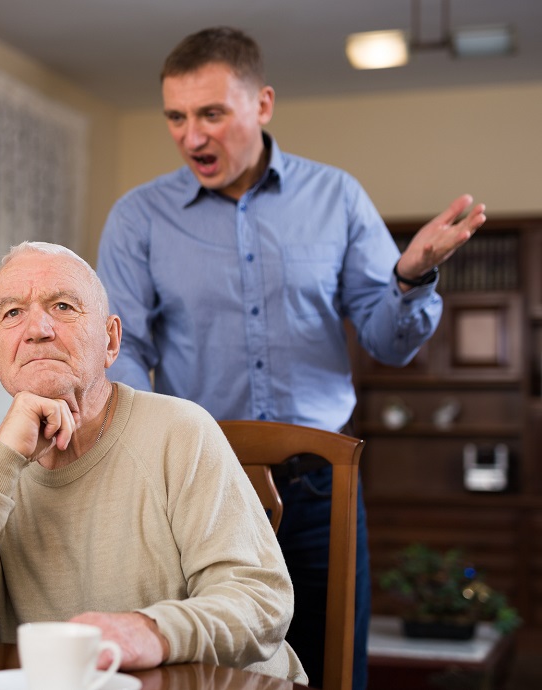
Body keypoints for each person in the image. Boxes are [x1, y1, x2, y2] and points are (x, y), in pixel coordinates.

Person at [95, 27, 487, 689]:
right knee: (209, 670)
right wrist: (147, 446)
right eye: (176, 117)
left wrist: (412, 277)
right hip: (200, 487)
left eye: (212, 114)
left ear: (263, 105)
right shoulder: (140, 217)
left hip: (321, 488)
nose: (192, 137)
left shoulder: (336, 198)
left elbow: (390, 341)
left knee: (332, 668)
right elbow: (123, 347)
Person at [0, 241, 308, 683]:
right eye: (12, 313)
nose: (37, 329)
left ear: (110, 339)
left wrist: (152, 631)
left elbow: (261, 599)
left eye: (63, 306)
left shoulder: (182, 430)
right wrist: (4, 457)